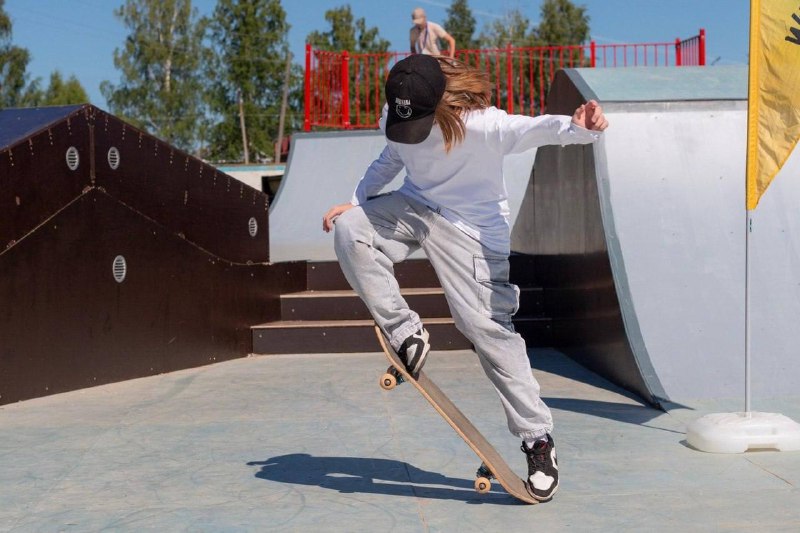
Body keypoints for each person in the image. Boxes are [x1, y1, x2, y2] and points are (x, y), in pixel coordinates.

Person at [322, 54, 608, 502]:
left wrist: (579, 129)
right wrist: (356, 202)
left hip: (473, 232)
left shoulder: (481, 125)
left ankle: (537, 440)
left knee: (486, 330)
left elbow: (531, 130)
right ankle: (404, 330)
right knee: (349, 230)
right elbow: (388, 159)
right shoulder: (397, 112)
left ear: (441, 105)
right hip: (414, 207)